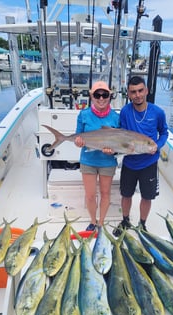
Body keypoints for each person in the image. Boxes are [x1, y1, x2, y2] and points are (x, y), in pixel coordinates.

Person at [113, 75, 168, 235]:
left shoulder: (157, 112)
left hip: (149, 163)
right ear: (128, 94)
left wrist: (157, 145)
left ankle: (142, 224)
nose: (137, 95)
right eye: (133, 92)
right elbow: (121, 135)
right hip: (130, 162)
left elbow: (164, 132)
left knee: (147, 196)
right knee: (126, 194)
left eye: (140, 91)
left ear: (146, 91)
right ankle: (125, 221)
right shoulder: (125, 111)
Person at [74, 81, 119, 231]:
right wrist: (78, 142)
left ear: (109, 96)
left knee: (105, 193)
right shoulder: (84, 114)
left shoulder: (115, 118)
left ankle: (101, 223)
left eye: (104, 94)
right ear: (91, 96)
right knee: (90, 195)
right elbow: (78, 136)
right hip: (88, 160)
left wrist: (113, 151)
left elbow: (120, 142)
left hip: (107, 162)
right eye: (97, 95)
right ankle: (93, 221)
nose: (101, 98)